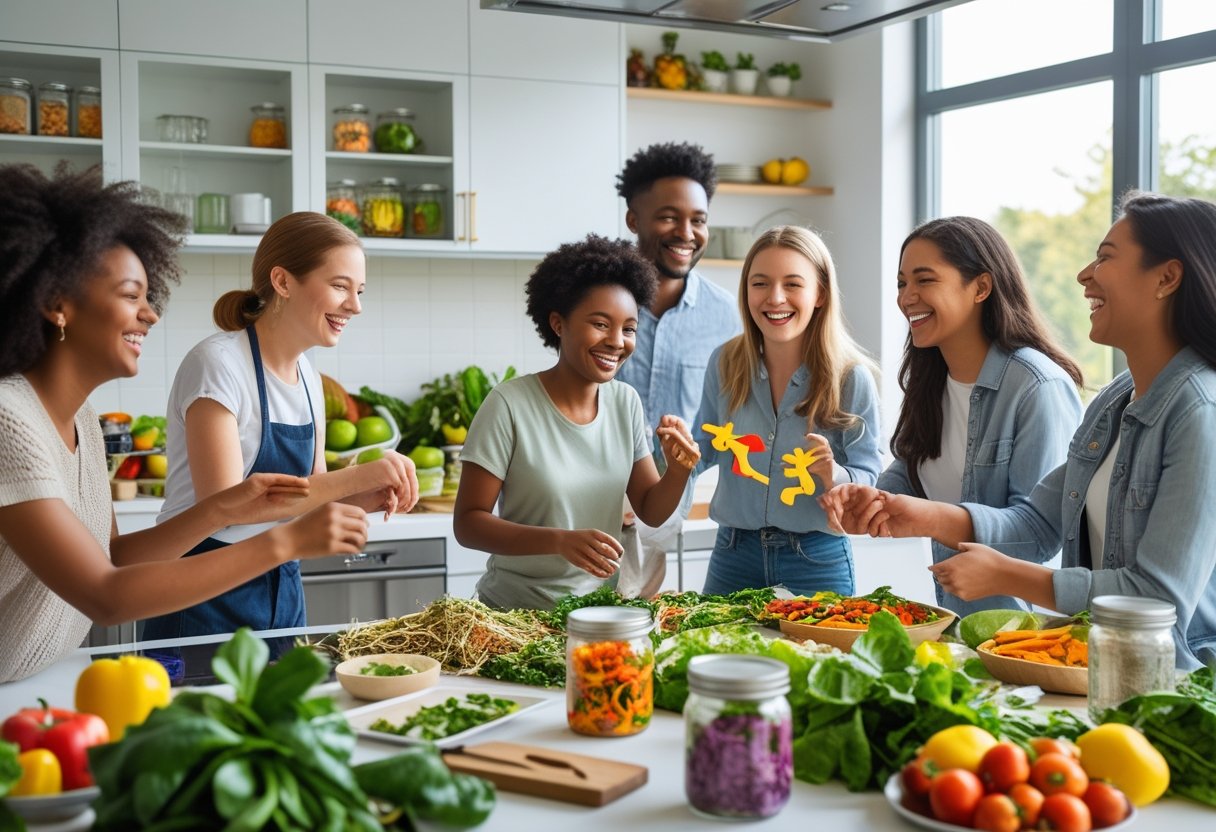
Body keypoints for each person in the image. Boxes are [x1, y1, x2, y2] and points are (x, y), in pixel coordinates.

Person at [0, 164, 370, 683]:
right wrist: (287, 541)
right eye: (132, 296)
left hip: (40, 676)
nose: (150, 315)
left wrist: (226, 505)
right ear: (57, 305)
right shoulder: (8, 421)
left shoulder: (81, 420)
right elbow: (107, 596)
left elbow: (118, 557)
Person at [824, 192, 1216, 669]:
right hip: (1097, 668)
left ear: (1167, 278)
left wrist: (1007, 576)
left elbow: (1157, 602)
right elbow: (1037, 521)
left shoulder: (1200, 411)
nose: (1084, 274)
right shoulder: (1115, 402)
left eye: (1106, 257)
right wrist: (913, 514)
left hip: (1177, 685)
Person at [141, 212, 418, 640]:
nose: (355, 305)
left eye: (359, 290)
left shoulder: (308, 375)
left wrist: (369, 495)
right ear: (283, 282)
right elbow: (227, 508)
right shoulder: (218, 365)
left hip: (280, 587)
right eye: (341, 286)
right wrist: (358, 475)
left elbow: (311, 494)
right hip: (200, 591)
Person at [453, 235, 701, 611]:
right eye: (600, 324)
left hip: (597, 613)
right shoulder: (509, 404)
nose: (617, 342)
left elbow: (649, 508)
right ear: (558, 324)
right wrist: (558, 541)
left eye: (629, 328)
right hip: (513, 614)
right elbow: (469, 524)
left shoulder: (625, 402)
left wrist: (679, 471)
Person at [879, 217, 1083, 615]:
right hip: (962, 621)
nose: (907, 297)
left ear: (981, 287)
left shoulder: (1037, 387)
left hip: (1027, 634)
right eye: (902, 283)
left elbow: (1041, 534)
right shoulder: (931, 381)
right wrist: (867, 499)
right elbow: (912, 474)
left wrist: (934, 518)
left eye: (925, 280)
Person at [693, 225, 882, 597]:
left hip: (816, 558)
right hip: (733, 554)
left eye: (793, 284)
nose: (775, 298)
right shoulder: (725, 363)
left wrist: (836, 474)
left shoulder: (850, 377)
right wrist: (666, 457)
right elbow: (703, 448)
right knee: (712, 655)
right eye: (760, 283)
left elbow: (869, 478)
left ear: (820, 294)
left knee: (821, 657)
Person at [613, 142, 742, 595]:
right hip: (586, 508)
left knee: (636, 643)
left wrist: (674, 477)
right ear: (634, 219)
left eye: (698, 219)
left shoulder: (728, 317)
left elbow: (722, 422)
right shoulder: (600, 301)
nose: (686, 232)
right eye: (669, 216)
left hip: (663, 519)